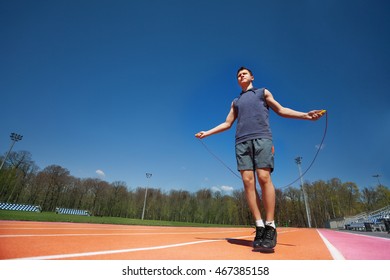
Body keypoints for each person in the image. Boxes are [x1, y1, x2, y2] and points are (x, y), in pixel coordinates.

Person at [195, 66, 325, 249]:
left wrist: (305, 115)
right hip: (241, 142)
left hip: (262, 138)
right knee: (248, 182)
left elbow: (280, 110)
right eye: (238, 75)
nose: (241, 75)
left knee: (264, 178)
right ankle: (259, 226)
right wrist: (207, 133)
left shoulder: (262, 92)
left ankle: (270, 225)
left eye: (244, 73)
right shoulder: (235, 101)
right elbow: (227, 123)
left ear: (251, 77)